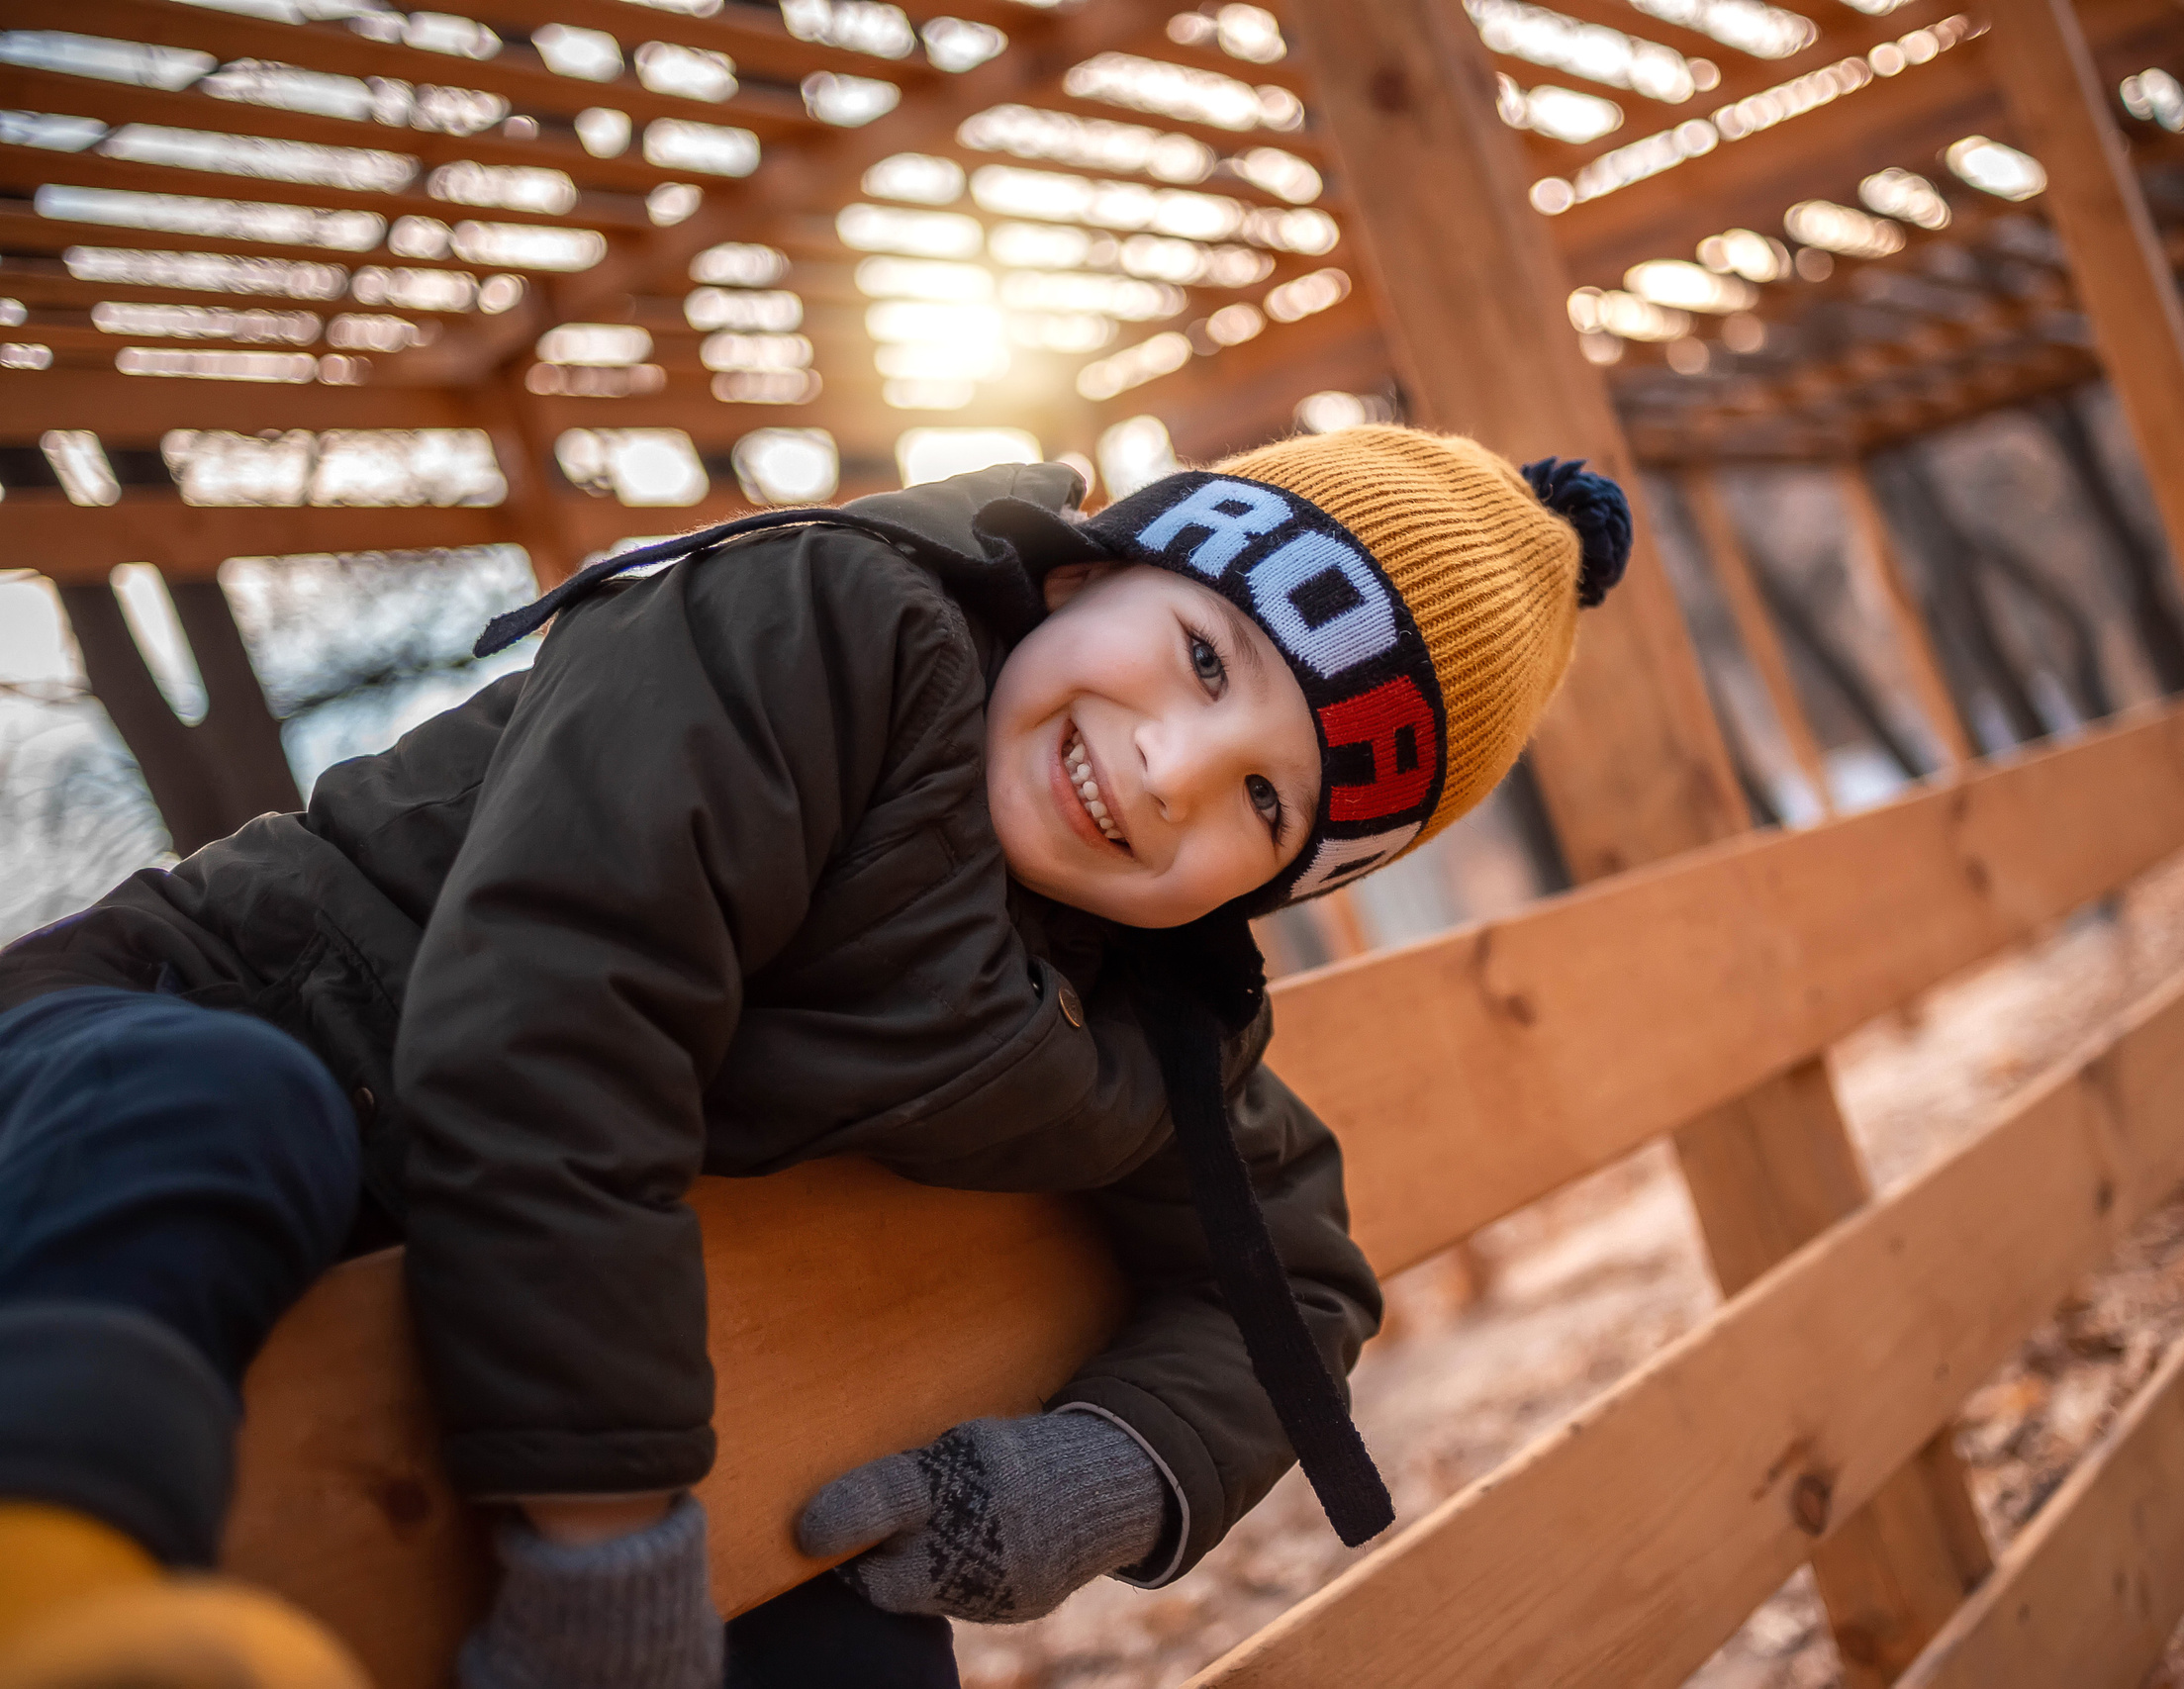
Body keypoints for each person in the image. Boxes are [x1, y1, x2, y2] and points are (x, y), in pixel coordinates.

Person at [0, 425, 1634, 1686]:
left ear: (1278, 885)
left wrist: (1104, 1471)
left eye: (1270, 806)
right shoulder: (821, 620)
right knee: (224, 1117)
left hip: (513, 1304)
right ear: (1089, 572)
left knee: (826, 1593)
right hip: (181, 1032)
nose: (1172, 769)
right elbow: (558, 1020)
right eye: (1206, 660)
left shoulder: (1138, 1025)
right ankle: (54, 1590)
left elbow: (1297, 1282)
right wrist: (602, 1560)